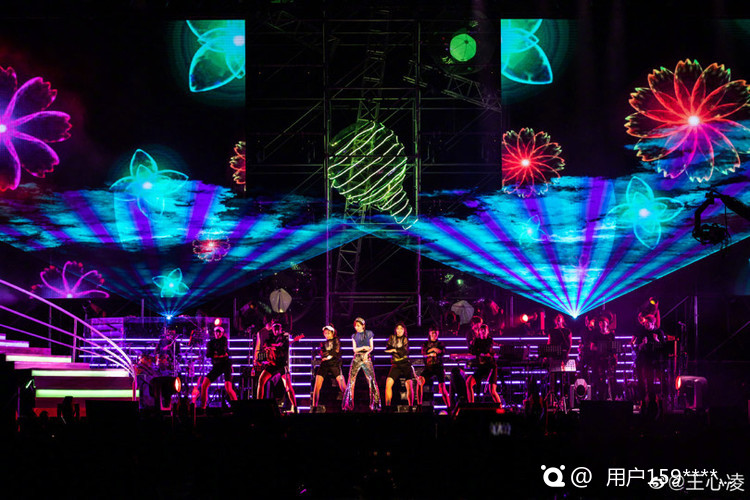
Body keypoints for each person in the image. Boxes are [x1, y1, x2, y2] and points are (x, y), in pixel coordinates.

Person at [632, 298, 666, 408]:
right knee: (641, 380)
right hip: (642, 359)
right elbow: (637, 347)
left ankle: (652, 400)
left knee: (650, 380)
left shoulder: (658, 332)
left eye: (648, 323)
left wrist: (657, 341)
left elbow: (664, 348)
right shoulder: (642, 332)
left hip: (653, 360)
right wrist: (642, 344)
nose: (646, 325)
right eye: (645, 323)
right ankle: (642, 399)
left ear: (652, 323)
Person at [256, 323, 297, 413]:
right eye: (275, 328)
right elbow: (266, 346)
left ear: (281, 329)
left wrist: (274, 346)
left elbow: (281, 346)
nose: (276, 330)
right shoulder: (270, 338)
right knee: (261, 380)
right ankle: (259, 404)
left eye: (278, 328)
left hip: (281, 365)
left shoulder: (284, 339)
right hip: (272, 364)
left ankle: (295, 407)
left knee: (288, 386)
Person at [342, 317, 381, 412]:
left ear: (363, 325)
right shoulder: (354, 336)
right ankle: (348, 404)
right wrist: (363, 347)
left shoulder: (369, 333)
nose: (356, 327)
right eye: (355, 326)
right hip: (357, 358)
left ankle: (375, 404)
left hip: (366, 357)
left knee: (371, 380)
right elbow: (355, 350)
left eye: (358, 326)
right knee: (351, 381)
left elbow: (371, 347)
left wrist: (367, 353)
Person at [199, 326, 238, 409]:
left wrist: (216, 353)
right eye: (216, 332)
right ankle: (203, 408)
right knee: (204, 385)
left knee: (228, 388)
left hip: (226, 365)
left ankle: (237, 407)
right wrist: (219, 354)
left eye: (219, 332)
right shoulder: (211, 342)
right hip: (217, 366)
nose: (218, 334)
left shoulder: (224, 340)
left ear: (222, 333)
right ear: (214, 333)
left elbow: (222, 351)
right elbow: (208, 354)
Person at [311, 324, 347, 412]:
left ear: (332, 333)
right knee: (317, 384)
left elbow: (336, 351)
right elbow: (322, 353)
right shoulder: (323, 343)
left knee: (342, 384)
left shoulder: (336, 340)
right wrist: (327, 355)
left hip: (334, 363)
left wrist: (329, 355)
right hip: (325, 364)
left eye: (328, 333)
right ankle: (314, 406)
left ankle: (347, 404)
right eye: (325, 333)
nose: (326, 335)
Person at [466, 324, 502, 404]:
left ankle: (500, 407)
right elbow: (472, 351)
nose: (483, 332)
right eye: (481, 330)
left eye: (484, 330)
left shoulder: (489, 340)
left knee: (492, 391)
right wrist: (473, 345)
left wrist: (479, 352)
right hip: (482, 367)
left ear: (487, 332)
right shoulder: (477, 341)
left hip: (491, 367)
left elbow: (486, 350)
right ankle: (471, 406)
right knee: (469, 382)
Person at [417, 326, 451, 409]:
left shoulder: (440, 343)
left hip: (439, 367)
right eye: (432, 333)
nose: (434, 334)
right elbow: (423, 352)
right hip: (428, 368)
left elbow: (441, 351)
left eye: (436, 333)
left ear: (438, 333)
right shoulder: (425, 343)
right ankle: (419, 406)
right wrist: (432, 351)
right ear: (429, 333)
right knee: (419, 382)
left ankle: (449, 407)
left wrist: (431, 351)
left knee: (442, 388)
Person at [384, 323, 416, 408]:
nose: (399, 330)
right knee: (388, 383)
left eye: (401, 329)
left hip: (405, 363)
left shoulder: (405, 339)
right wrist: (396, 350)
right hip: (395, 364)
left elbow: (404, 351)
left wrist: (394, 350)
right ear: (395, 330)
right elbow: (387, 349)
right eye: (398, 328)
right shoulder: (392, 338)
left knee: (409, 384)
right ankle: (387, 406)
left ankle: (411, 407)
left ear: (404, 330)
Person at [588, 315, 619, 400]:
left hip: (609, 360)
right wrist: (601, 348)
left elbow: (614, 348)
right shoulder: (596, 334)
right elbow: (592, 347)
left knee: (611, 379)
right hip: (599, 360)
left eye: (604, 322)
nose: (602, 324)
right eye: (600, 323)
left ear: (607, 323)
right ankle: (602, 397)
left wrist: (615, 358)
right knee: (601, 379)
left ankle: (611, 396)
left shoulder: (611, 335)